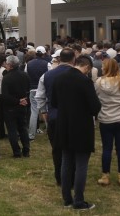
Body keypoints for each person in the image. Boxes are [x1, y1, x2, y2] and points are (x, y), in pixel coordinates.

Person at [52, 54, 101, 211]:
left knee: (66, 161)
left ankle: (67, 199)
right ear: (86, 67)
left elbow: (53, 102)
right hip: (81, 127)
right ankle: (78, 200)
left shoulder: (59, 78)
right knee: (81, 164)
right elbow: (95, 107)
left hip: (64, 124)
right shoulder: (84, 81)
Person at [35, 47, 74, 186]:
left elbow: (39, 96)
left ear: (57, 59)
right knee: (71, 149)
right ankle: (71, 177)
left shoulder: (47, 75)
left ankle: (59, 177)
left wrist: (44, 112)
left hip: (54, 116)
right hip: (72, 117)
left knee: (57, 149)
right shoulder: (77, 74)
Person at [94, 58, 120, 186]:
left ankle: (105, 175)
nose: (101, 68)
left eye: (103, 66)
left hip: (106, 118)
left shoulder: (99, 82)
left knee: (107, 148)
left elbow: (96, 96)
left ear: (107, 68)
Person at [0, 55, 31, 158]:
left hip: (10, 107)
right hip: (23, 105)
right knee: (23, 128)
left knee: (12, 130)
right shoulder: (25, 75)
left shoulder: (6, 78)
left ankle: (16, 152)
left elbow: (5, 95)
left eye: (6, 64)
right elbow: (28, 89)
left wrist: (18, 101)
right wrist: (23, 99)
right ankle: (26, 149)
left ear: (10, 65)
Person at [26, 46, 49, 141]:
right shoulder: (47, 64)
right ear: (44, 53)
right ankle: (50, 131)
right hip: (44, 90)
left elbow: (26, 75)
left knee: (34, 112)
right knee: (46, 111)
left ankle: (31, 135)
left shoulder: (29, 64)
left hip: (32, 89)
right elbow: (50, 76)